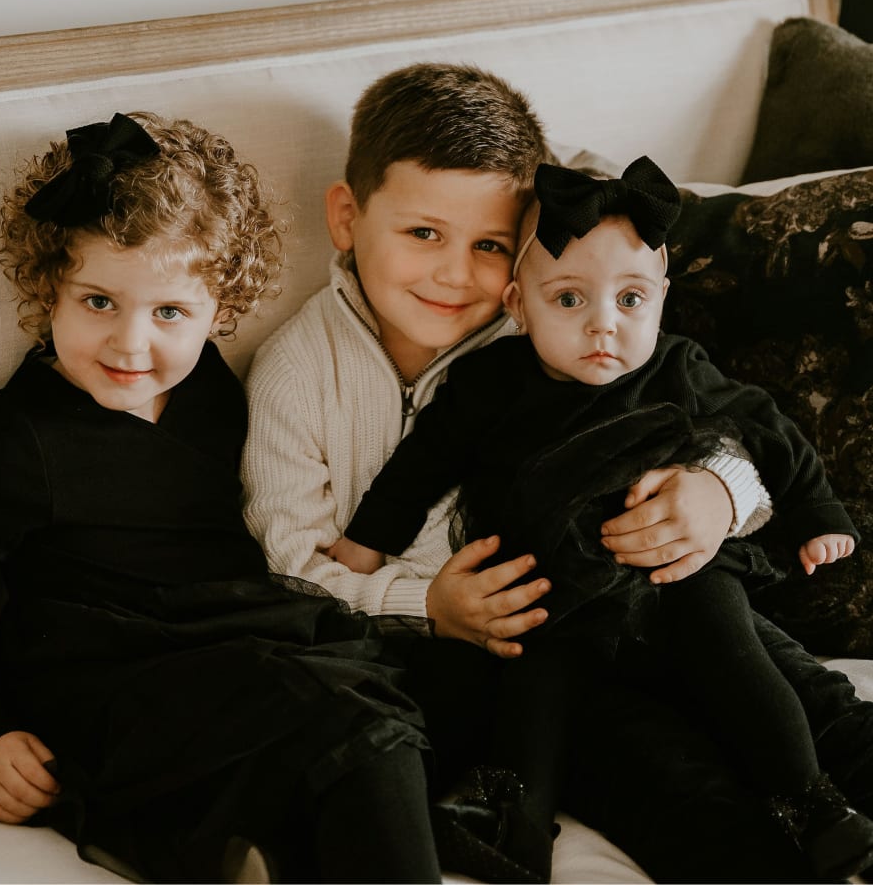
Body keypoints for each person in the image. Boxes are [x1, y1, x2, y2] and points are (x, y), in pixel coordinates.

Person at [242, 62, 873, 883]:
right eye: (423, 233)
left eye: (490, 246)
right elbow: (293, 567)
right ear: (346, 217)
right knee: (680, 788)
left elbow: (711, 416)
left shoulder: (556, 322)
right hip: (525, 650)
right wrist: (424, 602)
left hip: (671, 593)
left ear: (518, 273)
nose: (456, 273)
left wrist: (719, 494)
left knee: (815, 704)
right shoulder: (297, 370)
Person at [0, 111, 443, 885]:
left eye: (169, 313)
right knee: (346, 717)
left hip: (225, 635)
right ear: (50, 285)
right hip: (105, 671)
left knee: (378, 716)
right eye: (97, 302)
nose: (130, 344)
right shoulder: (20, 435)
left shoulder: (211, 389)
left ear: (219, 314)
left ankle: (275, 849)